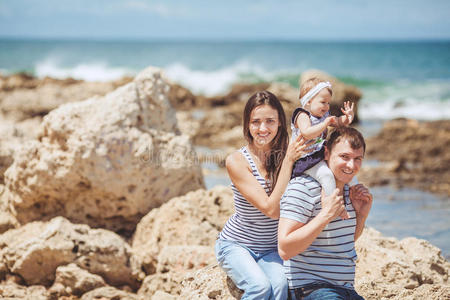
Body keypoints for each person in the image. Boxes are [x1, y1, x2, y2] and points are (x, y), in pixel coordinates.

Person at [215, 91, 310, 300]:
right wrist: (289, 162)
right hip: (237, 245)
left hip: (271, 249)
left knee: (280, 287)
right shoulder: (237, 161)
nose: (263, 128)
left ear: (279, 124)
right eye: (255, 122)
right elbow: (271, 209)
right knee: (260, 287)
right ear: (247, 125)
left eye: (270, 121)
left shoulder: (288, 153)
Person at [278, 126, 373, 300]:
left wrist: (361, 215)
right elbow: (285, 249)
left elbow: (343, 243)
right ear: (327, 153)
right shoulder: (302, 187)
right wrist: (325, 215)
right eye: (344, 157)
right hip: (309, 289)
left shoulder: (348, 190)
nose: (351, 165)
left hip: (346, 289)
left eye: (358, 158)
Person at [291, 78, 355, 211]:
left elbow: (337, 121)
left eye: (328, 103)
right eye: (323, 102)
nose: (326, 106)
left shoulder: (324, 116)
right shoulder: (302, 115)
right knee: (326, 175)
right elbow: (307, 133)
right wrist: (325, 124)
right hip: (304, 158)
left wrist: (348, 118)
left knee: (343, 170)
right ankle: (332, 207)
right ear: (308, 101)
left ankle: (350, 199)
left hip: (319, 154)